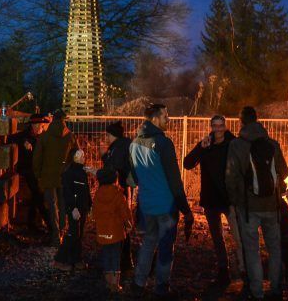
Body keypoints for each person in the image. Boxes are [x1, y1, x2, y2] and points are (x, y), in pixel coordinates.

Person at [129, 103, 194, 299]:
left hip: (147, 205)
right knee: (166, 247)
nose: (169, 119)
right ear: (155, 119)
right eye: (166, 115)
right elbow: (175, 180)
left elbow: (135, 176)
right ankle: (162, 286)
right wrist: (186, 209)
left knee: (148, 242)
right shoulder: (164, 144)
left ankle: (139, 282)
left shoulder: (134, 144)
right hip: (166, 206)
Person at [226, 106, 288, 301]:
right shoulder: (273, 144)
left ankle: (257, 292)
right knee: (274, 248)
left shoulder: (237, 145)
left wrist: (236, 201)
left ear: (241, 122)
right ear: (257, 120)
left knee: (252, 251)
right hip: (272, 206)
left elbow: (231, 177)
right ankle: (276, 289)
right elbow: (284, 172)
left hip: (248, 208)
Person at [183, 114, 240, 287]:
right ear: (211, 127)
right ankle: (224, 271)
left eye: (220, 125)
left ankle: (245, 270)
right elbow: (187, 163)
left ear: (225, 126)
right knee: (217, 238)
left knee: (239, 237)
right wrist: (200, 147)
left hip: (230, 199)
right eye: (214, 126)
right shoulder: (206, 145)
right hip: (211, 200)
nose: (217, 129)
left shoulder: (233, 144)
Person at [33, 109, 77, 246]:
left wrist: (38, 175)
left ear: (53, 120)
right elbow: (76, 155)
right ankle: (63, 232)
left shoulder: (44, 137)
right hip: (65, 176)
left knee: (52, 206)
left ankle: (55, 235)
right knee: (63, 205)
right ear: (64, 120)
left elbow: (37, 159)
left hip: (48, 176)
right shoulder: (70, 136)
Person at [92, 167, 133, 293]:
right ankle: (115, 284)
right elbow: (124, 213)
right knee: (115, 256)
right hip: (116, 233)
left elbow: (94, 213)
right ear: (115, 180)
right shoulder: (118, 194)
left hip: (103, 233)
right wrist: (129, 224)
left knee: (106, 255)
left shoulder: (97, 195)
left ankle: (108, 281)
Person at [100, 121, 134, 271]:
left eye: (107, 134)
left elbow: (113, 170)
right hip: (123, 189)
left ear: (112, 135)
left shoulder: (118, 148)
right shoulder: (120, 146)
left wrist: (104, 156)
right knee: (122, 223)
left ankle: (124, 260)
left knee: (120, 224)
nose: (105, 137)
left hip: (120, 191)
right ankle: (125, 259)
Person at [8, 113, 48, 232]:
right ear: (33, 125)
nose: (40, 127)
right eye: (38, 125)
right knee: (37, 192)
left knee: (37, 194)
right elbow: (11, 138)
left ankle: (33, 224)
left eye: (41, 124)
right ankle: (49, 224)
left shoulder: (43, 137)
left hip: (39, 170)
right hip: (27, 169)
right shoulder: (24, 136)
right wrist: (22, 143)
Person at [53, 149, 92, 271]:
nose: (82, 157)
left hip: (82, 207)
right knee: (73, 233)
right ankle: (60, 260)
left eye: (83, 155)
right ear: (73, 157)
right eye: (78, 155)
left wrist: (89, 204)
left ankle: (76, 259)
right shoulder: (68, 173)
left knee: (78, 234)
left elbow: (85, 190)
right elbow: (68, 193)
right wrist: (73, 208)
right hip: (74, 208)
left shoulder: (82, 172)